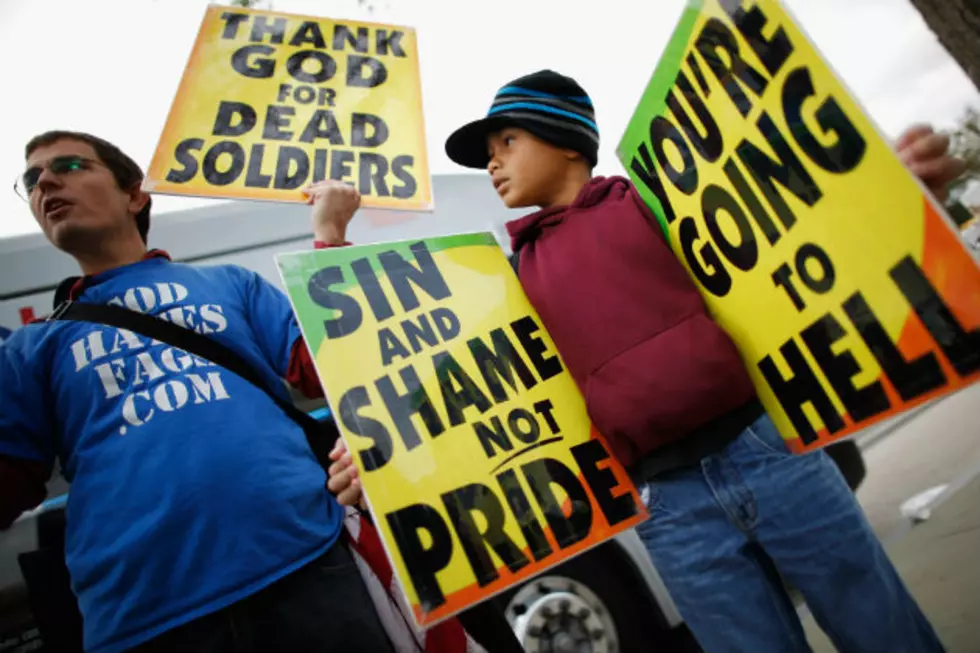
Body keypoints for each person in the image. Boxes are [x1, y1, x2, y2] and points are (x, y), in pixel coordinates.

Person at [325, 70, 965, 653]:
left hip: (769, 451)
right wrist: (381, 450)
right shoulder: (512, 274)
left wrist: (887, 191)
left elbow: (783, 233)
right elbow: (435, 370)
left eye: (507, 141)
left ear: (568, 141)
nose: (492, 161)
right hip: (667, 506)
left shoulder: (657, 202)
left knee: (880, 623)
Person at [0, 131, 427, 653]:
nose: (44, 181)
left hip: (308, 566)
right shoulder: (32, 346)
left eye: (68, 165)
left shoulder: (230, 284)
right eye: (31, 179)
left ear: (135, 195)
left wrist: (330, 233)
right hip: (146, 617)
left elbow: (334, 367)